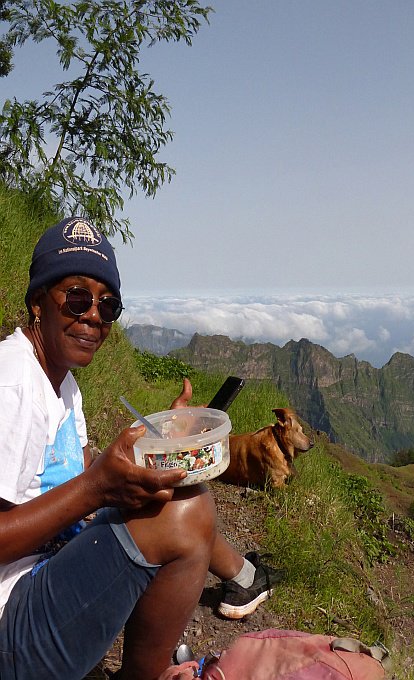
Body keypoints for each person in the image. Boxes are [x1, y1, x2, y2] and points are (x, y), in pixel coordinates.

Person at [0, 217, 278, 679]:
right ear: (37, 302)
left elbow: (73, 470)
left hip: (43, 584)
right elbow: (85, 487)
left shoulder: (62, 382)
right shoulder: (12, 383)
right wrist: (95, 491)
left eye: (107, 307)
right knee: (187, 512)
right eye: (76, 298)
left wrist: (161, 444)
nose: (93, 316)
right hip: (11, 629)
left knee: (173, 493)